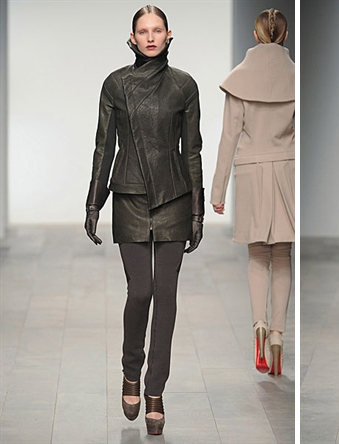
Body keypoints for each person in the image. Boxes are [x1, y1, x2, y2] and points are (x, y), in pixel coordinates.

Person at [84, 5, 204, 435]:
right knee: (140, 291)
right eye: (143, 31)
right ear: (132, 38)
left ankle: (155, 390)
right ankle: (130, 369)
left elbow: (192, 150)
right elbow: (104, 147)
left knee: (166, 296)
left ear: (169, 35)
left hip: (174, 197)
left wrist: (197, 210)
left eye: (157, 30)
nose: (150, 37)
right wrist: (94, 202)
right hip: (131, 195)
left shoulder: (184, 85)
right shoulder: (115, 84)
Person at [211, 8, 294, 376]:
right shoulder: (295, 77)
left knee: (258, 255)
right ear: (285, 36)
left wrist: (217, 190)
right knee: (283, 255)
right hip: (287, 169)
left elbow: (229, 136)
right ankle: (277, 334)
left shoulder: (240, 79)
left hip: (249, 171)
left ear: (256, 36)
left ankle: (258, 325)